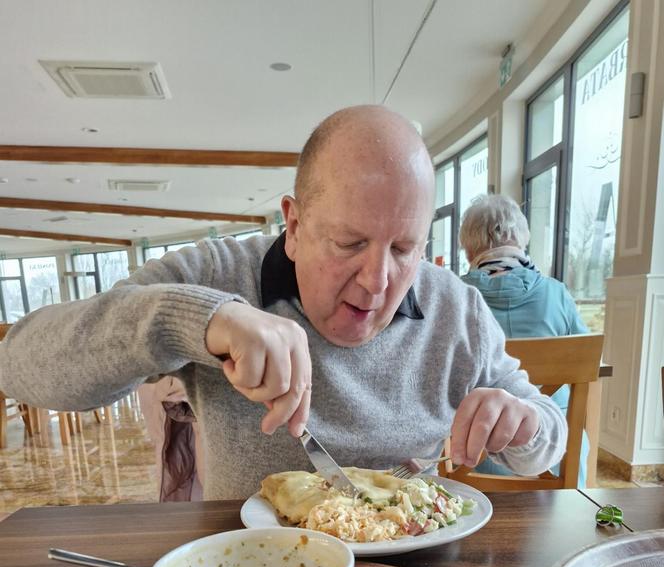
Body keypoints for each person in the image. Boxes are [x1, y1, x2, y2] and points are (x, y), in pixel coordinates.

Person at [0, 106, 566, 500]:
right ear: (293, 226)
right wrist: (200, 320)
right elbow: (21, 363)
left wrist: (524, 426)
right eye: (349, 243)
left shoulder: (457, 311)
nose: (377, 282)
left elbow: (545, 435)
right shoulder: (219, 273)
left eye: (403, 248)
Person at [459, 193, 589, 484]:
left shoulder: (455, 298)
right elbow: (588, 362)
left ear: (469, 249)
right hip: (560, 460)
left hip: (474, 464)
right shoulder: (557, 294)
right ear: (520, 238)